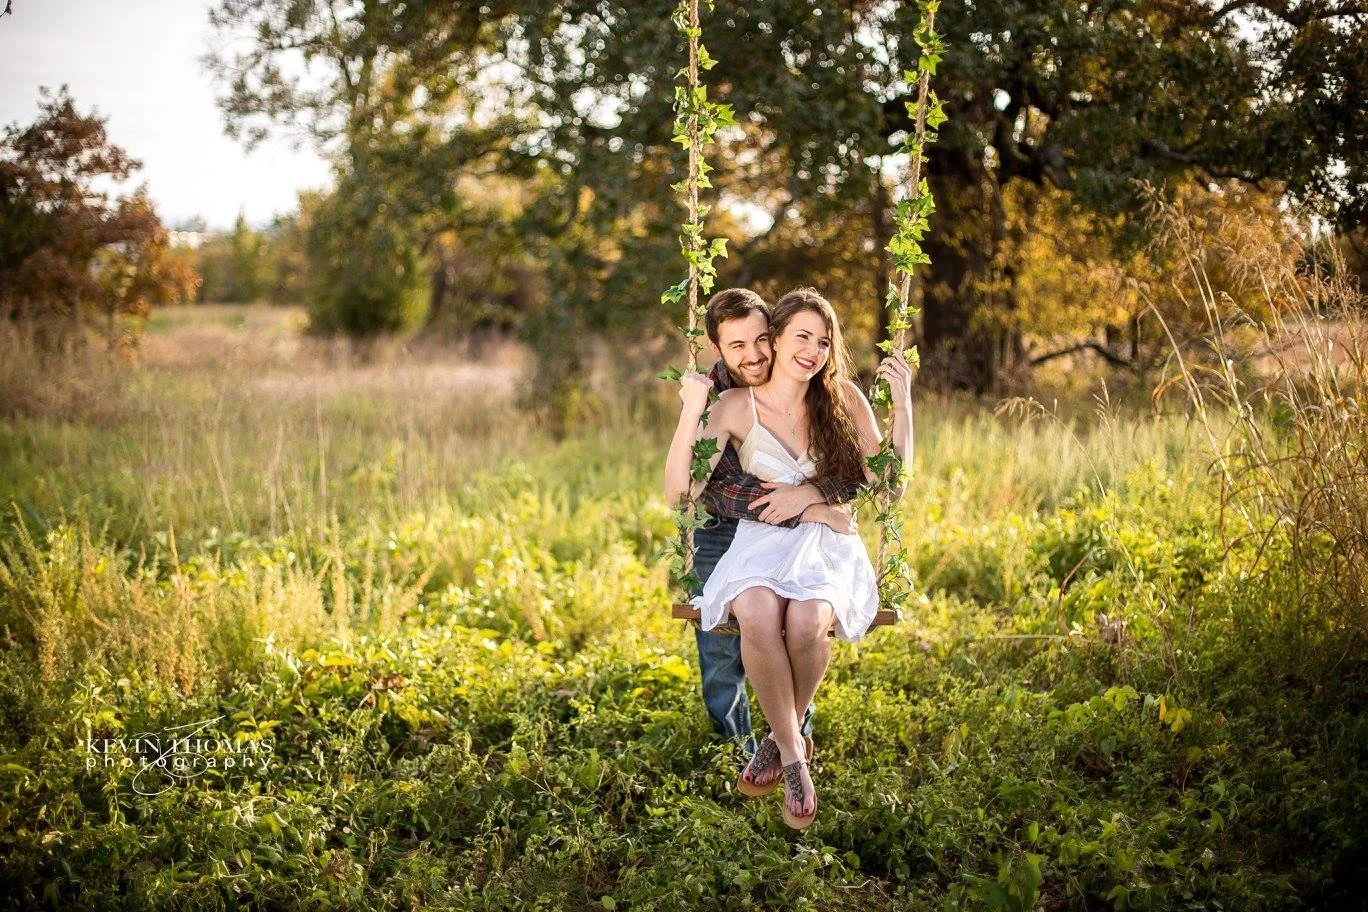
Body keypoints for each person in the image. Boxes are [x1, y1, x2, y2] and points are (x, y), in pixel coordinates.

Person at [664, 287, 914, 829]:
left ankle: (780, 737)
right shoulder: (732, 405)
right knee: (754, 611)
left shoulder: (843, 396)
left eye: (824, 341)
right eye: (801, 336)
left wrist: (904, 405)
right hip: (760, 537)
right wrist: (689, 411)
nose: (814, 350)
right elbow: (682, 492)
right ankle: (796, 757)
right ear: (775, 340)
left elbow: (889, 489)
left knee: (804, 622)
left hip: (827, 542)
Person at [684, 289, 863, 768]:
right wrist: (810, 507)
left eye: (762, 339)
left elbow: (860, 471)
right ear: (719, 350)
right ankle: (735, 751)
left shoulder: (820, 392)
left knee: (797, 625)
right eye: (737, 346)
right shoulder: (721, 397)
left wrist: (810, 497)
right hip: (723, 527)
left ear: (776, 335)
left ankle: (788, 744)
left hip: (790, 532)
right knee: (722, 651)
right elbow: (710, 491)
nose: (755, 354)